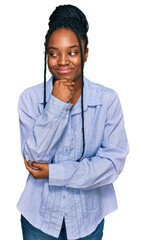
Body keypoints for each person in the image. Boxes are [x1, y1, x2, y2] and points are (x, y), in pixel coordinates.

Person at [17, 4, 129, 240]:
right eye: (53, 53)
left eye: (73, 52)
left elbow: (111, 166)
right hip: (39, 221)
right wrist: (56, 105)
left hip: (88, 220)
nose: (62, 61)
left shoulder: (107, 100)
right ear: (45, 54)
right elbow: (35, 161)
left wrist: (54, 173)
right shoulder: (30, 99)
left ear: (86, 53)